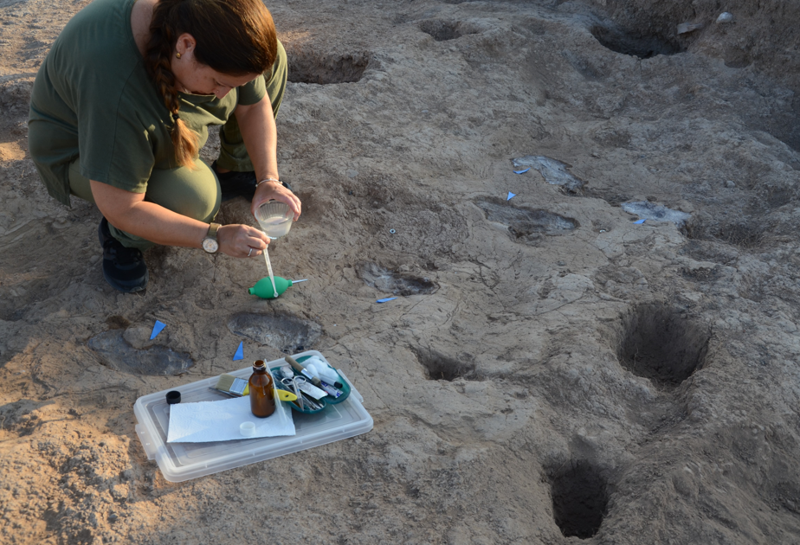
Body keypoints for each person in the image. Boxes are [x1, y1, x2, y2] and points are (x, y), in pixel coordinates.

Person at [28, 0, 301, 293]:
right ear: (186, 44)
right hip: (86, 145)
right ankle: (122, 238)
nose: (223, 96)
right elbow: (124, 207)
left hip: (144, 103)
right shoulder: (116, 88)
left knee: (268, 58)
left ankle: (233, 169)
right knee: (194, 200)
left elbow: (252, 105)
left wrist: (268, 179)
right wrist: (215, 237)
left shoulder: (197, 30)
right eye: (219, 83)